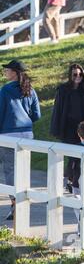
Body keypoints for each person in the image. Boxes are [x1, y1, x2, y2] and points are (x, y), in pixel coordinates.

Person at [0, 60, 41, 220]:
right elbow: (36, 114)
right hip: (27, 134)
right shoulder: (30, 90)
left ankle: (15, 202)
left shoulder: (5, 90)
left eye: (7, 70)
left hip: (9, 134)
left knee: (10, 169)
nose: (5, 73)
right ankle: (23, 199)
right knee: (23, 169)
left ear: (15, 73)